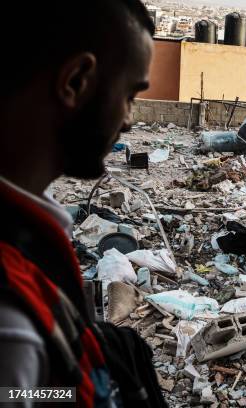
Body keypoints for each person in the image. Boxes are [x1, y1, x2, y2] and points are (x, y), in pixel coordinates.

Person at [0, 1, 157, 405]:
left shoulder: (30, 230)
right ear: (75, 80)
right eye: (129, 94)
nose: (128, 120)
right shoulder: (12, 323)